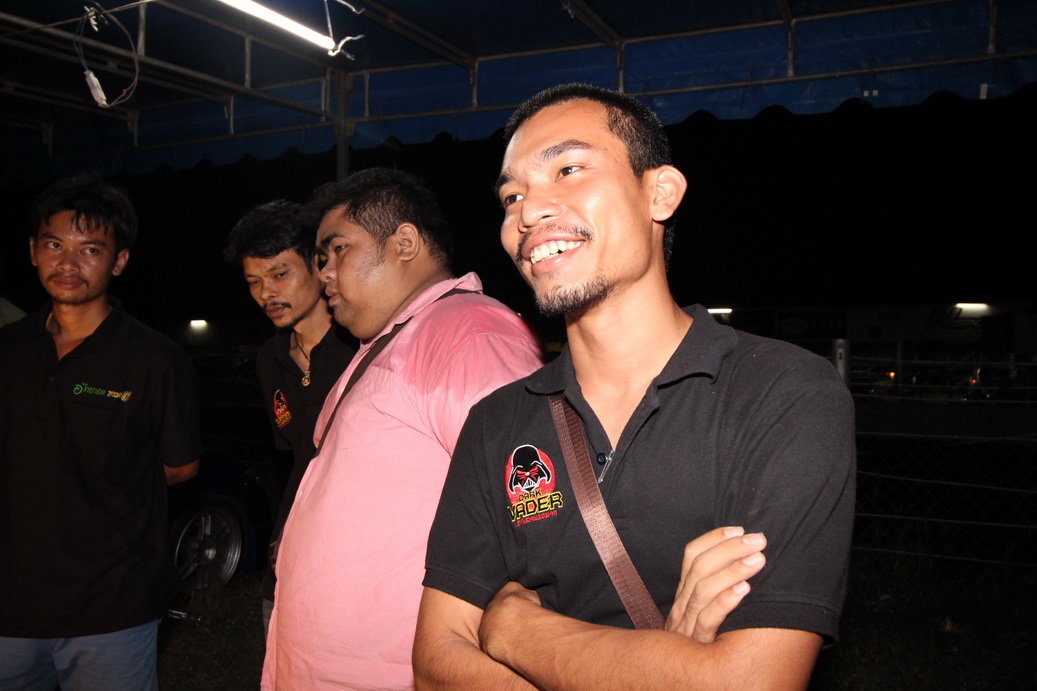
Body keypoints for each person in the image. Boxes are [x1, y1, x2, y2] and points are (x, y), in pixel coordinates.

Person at [415, 83, 857, 688]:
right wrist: (669, 663)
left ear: (660, 193)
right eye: (511, 195)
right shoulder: (496, 422)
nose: (528, 212)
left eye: (568, 170)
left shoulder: (782, 393)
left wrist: (513, 629)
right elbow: (436, 663)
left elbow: (750, 681)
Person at [261, 168, 543, 689]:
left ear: (404, 243)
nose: (324, 274)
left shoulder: (466, 333)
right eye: (321, 259)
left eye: (338, 250)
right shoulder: (394, 340)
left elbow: (533, 515)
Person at [0, 173, 202, 690]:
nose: (68, 263)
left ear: (119, 261)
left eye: (90, 249)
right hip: (10, 607)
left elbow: (180, 466)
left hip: (112, 607)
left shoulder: (154, 358)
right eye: (54, 245)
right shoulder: (8, 348)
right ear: (32, 251)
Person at [223, 200, 356, 632]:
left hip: (358, 557)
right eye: (253, 282)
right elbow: (294, 461)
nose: (266, 293)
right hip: (290, 562)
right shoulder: (271, 358)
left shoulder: (360, 347)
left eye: (280, 274)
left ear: (319, 267)